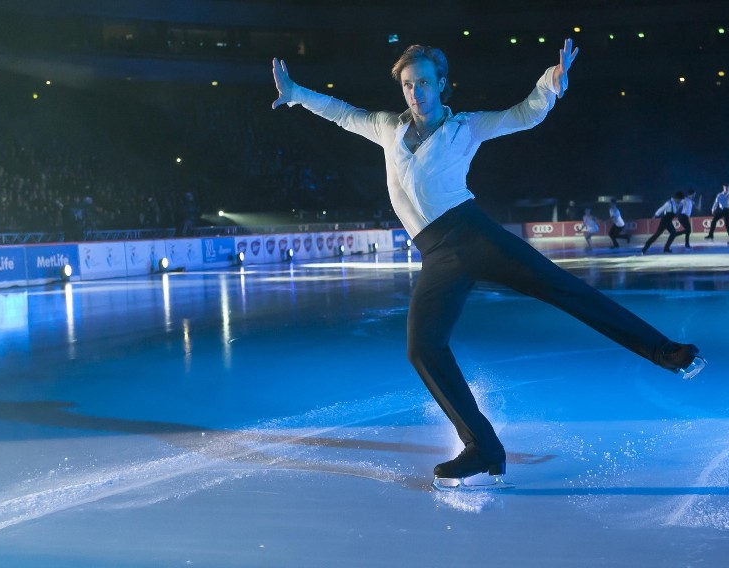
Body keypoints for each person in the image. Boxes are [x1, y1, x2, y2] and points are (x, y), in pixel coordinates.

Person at [271, 39, 705, 483]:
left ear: (441, 85)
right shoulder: (388, 128)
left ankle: (664, 350)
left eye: (423, 82)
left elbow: (522, 115)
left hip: (472, 234)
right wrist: (297, 93)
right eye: (407, 85)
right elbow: (343, 113)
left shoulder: (465, 127)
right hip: (435, 254)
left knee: (561, 287)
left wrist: (550, 84)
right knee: (422, 348)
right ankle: (483, 447)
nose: (415, 92)